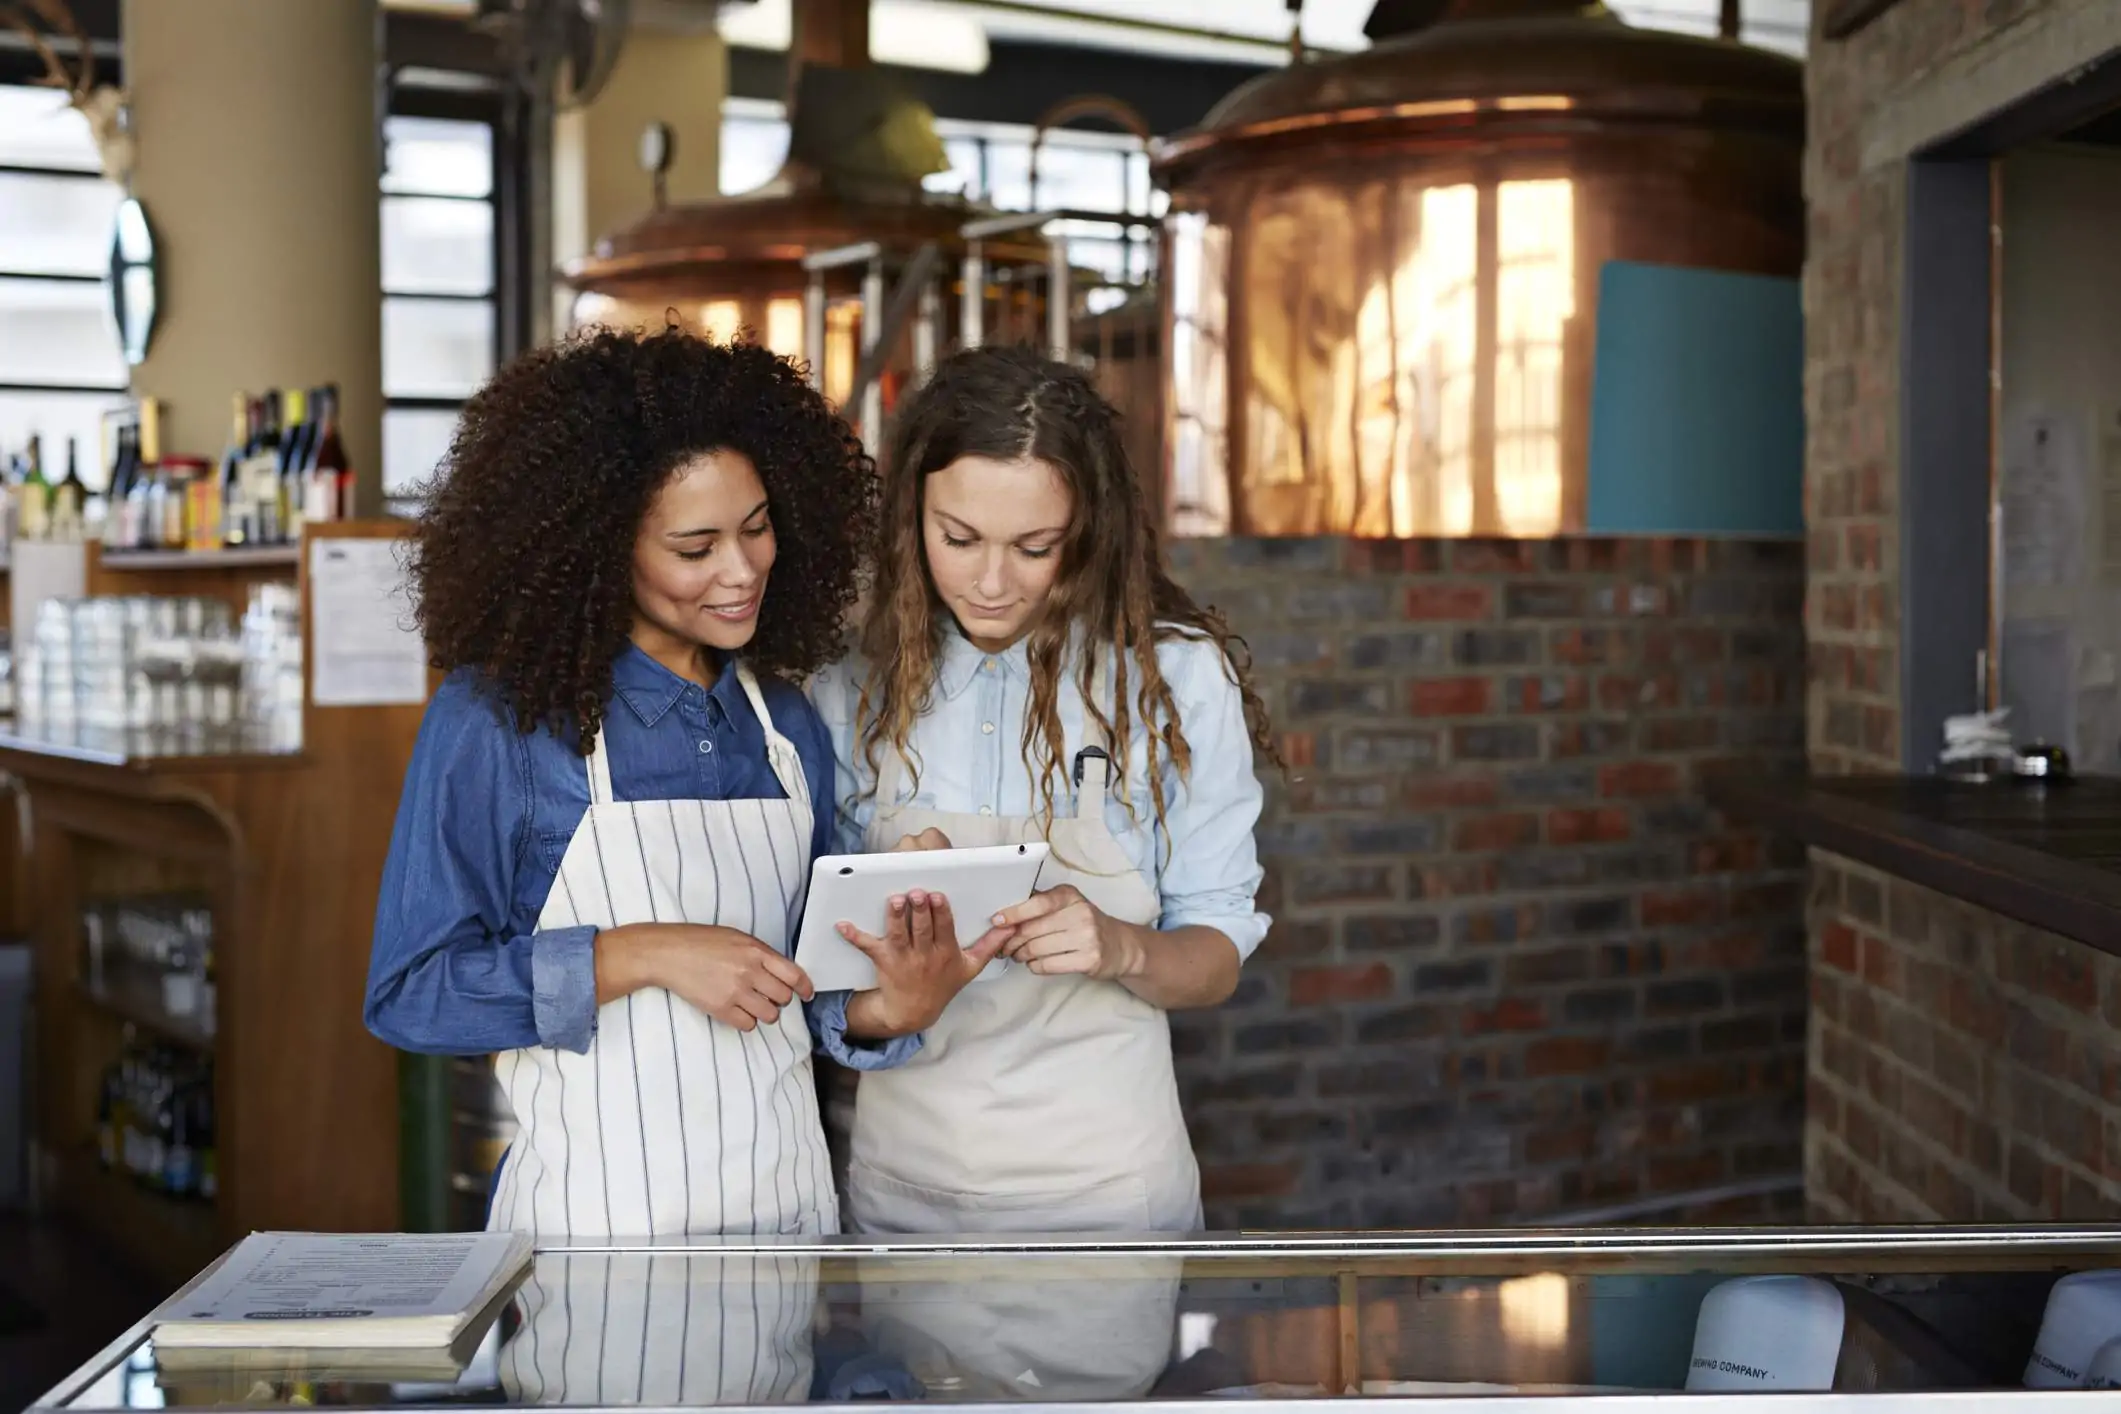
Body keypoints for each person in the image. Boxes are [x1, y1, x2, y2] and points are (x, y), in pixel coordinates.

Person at [363, 327, 990, 1252]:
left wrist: (895, 1001)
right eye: (694, 547)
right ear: (596, 548)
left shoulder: (784, 723)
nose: (742, 571)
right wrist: (640, 954)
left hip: (788, 1228)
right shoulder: (500, 722)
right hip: (588, 1250)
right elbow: (413, 994)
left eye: (757, 526)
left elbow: (803, 992)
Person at [811, 344, 1276, 1227]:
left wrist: (1124, 947)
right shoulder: (848, 683)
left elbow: (1213, 956)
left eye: (1034, 547)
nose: (991, 583)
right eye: (958, 540)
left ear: (1089, 530)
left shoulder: (1171, 678)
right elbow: (819, 993)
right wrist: (891, 968)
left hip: (1108, 1188)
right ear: (911, 518)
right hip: (904, 1188)